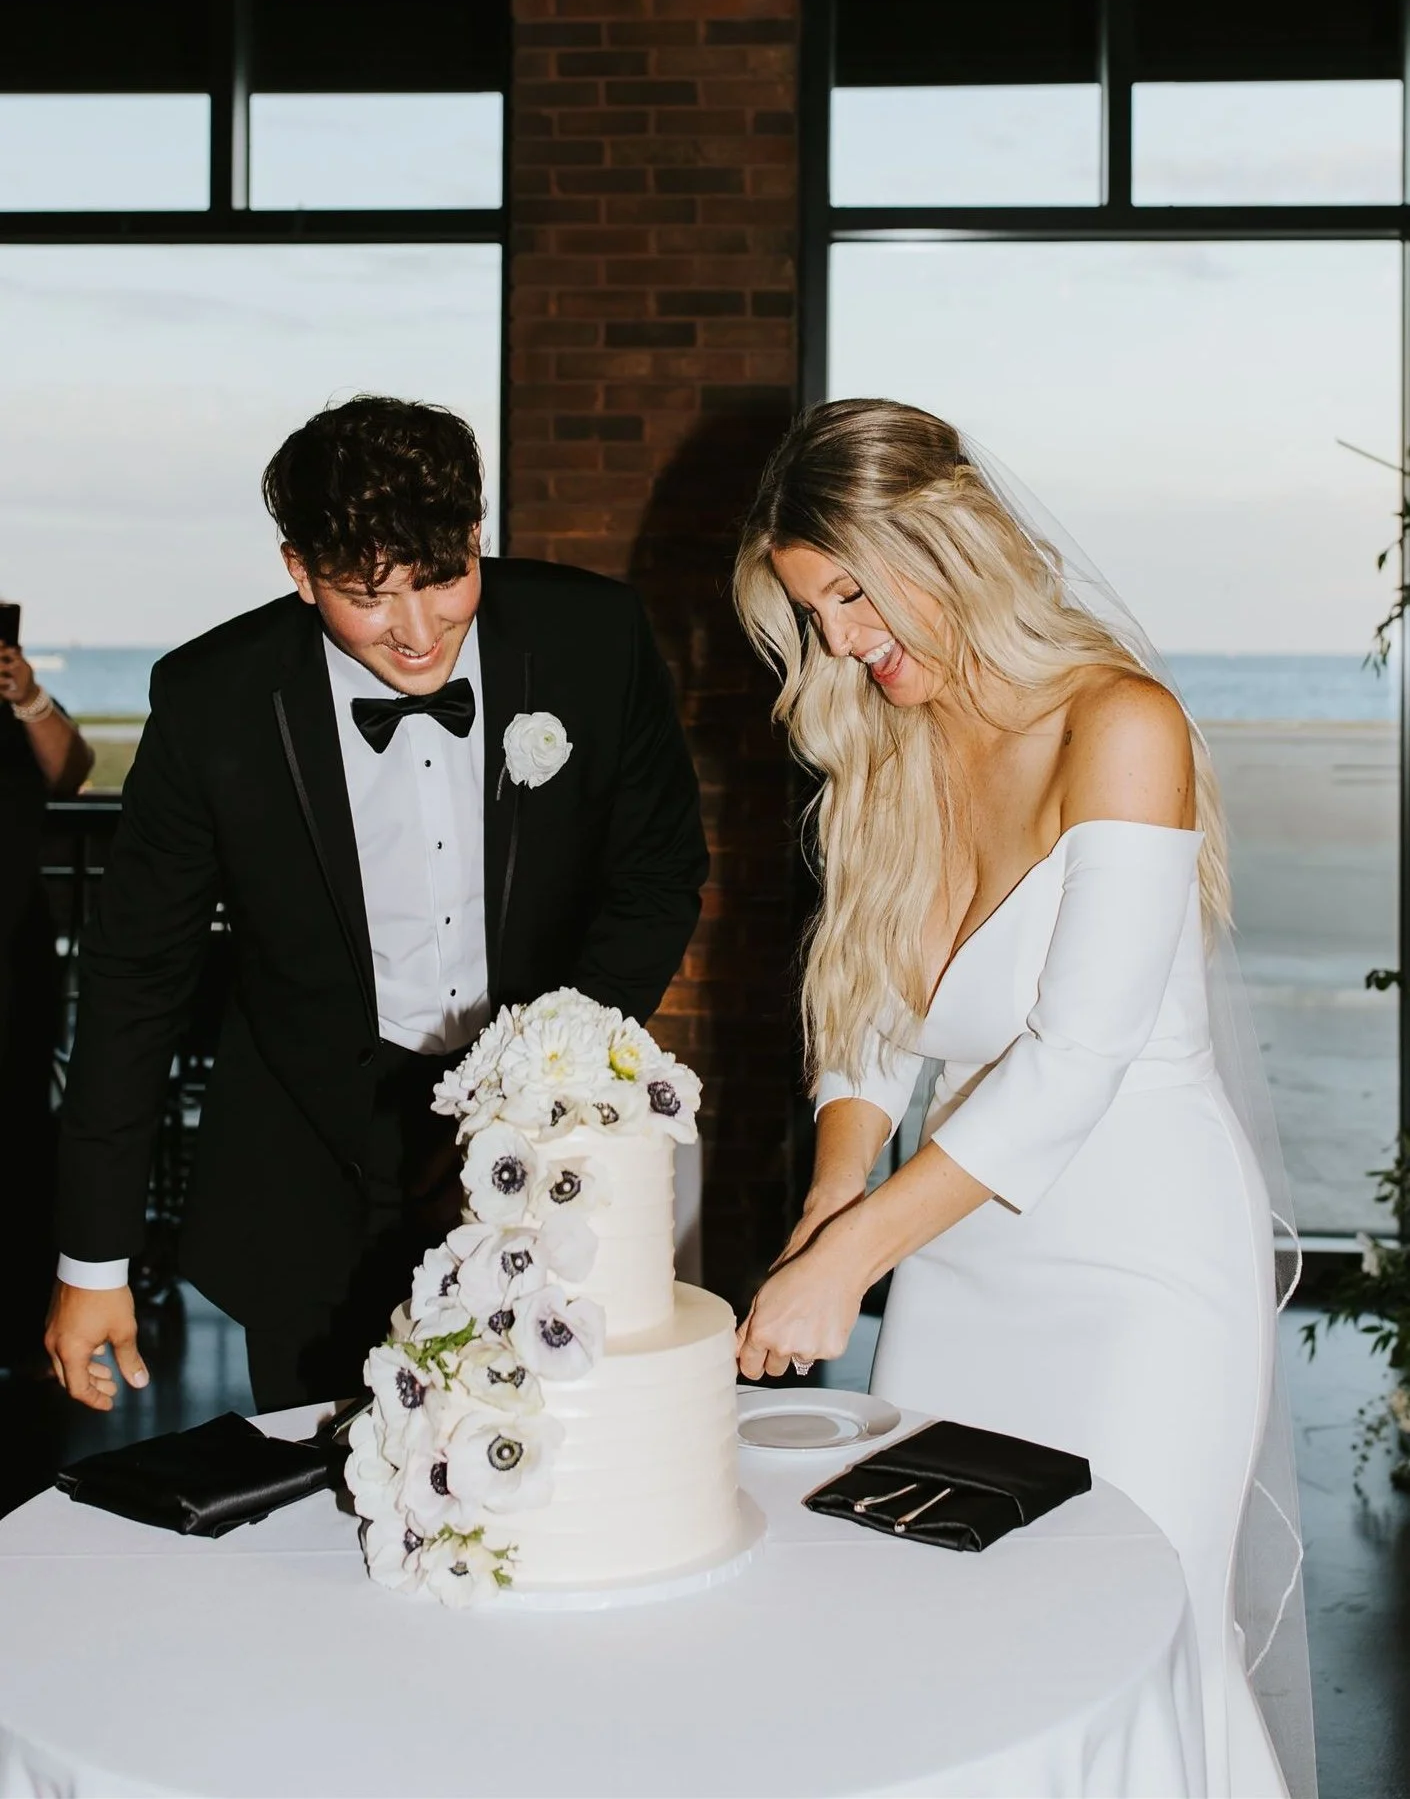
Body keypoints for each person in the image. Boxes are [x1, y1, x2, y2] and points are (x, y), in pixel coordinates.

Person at [731, 400, 1310, 1799]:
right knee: (946, 1630)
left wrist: (857, 1255)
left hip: (1143, 1273)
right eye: (814, 615)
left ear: (944, 542)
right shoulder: (891, 743)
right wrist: (834, 1195)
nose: (841, 644)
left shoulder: (1121, 724)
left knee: (1130, 1635)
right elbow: (871, 1022)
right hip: (960, 1255)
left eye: (852, 594)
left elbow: (1074, 1059)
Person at [45, 395, 707, 1414]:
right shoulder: (212, 698)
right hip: (311, 1173)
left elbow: (658, 876)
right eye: (368, 596)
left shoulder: (593, 638)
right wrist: (93, 1259)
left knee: (551, 1455)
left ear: (477, 534)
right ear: (299, 570)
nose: (417, 633)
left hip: (538, 1157)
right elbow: (136, 974)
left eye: (444, 580)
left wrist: (540, 1082)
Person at [0, 629, 92, 1371]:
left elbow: (73, 770)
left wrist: (27, 694)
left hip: (13, 947)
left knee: (21, 1125)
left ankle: (18, 1323)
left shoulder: (15, 704)